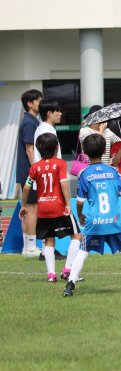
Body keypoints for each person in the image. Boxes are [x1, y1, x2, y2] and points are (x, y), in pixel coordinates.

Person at [64, 133, 121, 296]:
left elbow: (80, 202)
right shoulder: (112, 171)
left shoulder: (84, 173)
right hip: (114, 221)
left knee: (82, 252)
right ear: (104, 151)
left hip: (94, 221)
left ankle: (70, 285)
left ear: (86, 153)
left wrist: (80, 215)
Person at [19, 133, 82, 283]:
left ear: (39, 149)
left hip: (43, 208)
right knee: (77, 236)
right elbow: (63, 183)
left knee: (49, 241)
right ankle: (67, 269)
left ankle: (51, 275)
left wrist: (23, 206)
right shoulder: (60, 163)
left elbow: (27, 188)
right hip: (58, 206)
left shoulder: (35, 167)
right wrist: (67, 204)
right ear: (56, 147)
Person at [33, 98, 67, 262]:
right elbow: (47, 158)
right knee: (50, 216)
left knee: (47, 216)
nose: (60, 114)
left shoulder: (44, 128)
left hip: (46, 178)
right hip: (49, 178)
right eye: (58, 111)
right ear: (49, 113)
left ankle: (47, 250)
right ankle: (46, 250)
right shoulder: (46, 130)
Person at [16, 89, 42, 257]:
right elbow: (30, 149)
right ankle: (31, 247)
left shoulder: (31, 121)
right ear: (30, 103)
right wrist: (37, 170)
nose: (41, 103)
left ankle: (27, 247)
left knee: (26, 209)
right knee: (32, 208)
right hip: (29, 172)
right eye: (39, 100)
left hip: (26, 172)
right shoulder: (30, 122)